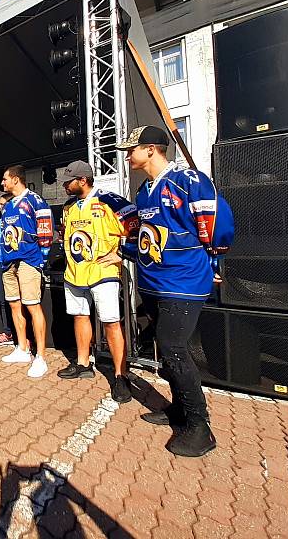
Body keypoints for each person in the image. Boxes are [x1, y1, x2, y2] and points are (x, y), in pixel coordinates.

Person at [114, 125, 232, 457]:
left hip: (183, 282)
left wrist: (214, 264)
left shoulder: (188, 181)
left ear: (151, 150)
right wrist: (123, 252)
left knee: (174, 347)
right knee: (166, 349)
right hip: (153, 282)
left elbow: (216, 224)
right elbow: (145, 236)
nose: (127, 156)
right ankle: (179, 411)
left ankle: (200, 426)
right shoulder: (143, 192)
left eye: (131, 149)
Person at [56, 160, 138, 404]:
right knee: (79, 316)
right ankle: (83, 363)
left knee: (111, 322)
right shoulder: (69, 207)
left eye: (68, 182)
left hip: (103, 273)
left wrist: (122, 253)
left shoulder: (110, 200)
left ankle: (121, 375)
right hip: (75, 273)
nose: (64, 186)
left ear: (83, 180)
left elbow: (136, 227)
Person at [0, 165, 54, 378]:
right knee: (14, 304)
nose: (2, 183)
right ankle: (22, 348)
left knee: (32, 306)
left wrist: (42, 260)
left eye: (5, 179)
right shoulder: (9, 205)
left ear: (15, 179)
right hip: (9, 262)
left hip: (29, 261)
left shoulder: (35, 200)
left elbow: (46, 233)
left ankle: (40, 357)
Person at [0, 193, 15, 347]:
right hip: (1, 261)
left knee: (15, 300)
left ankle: (20, 334)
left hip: (14, 263)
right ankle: (7, 332)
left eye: (2, 204)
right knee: (2, 299)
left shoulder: (16, 220)